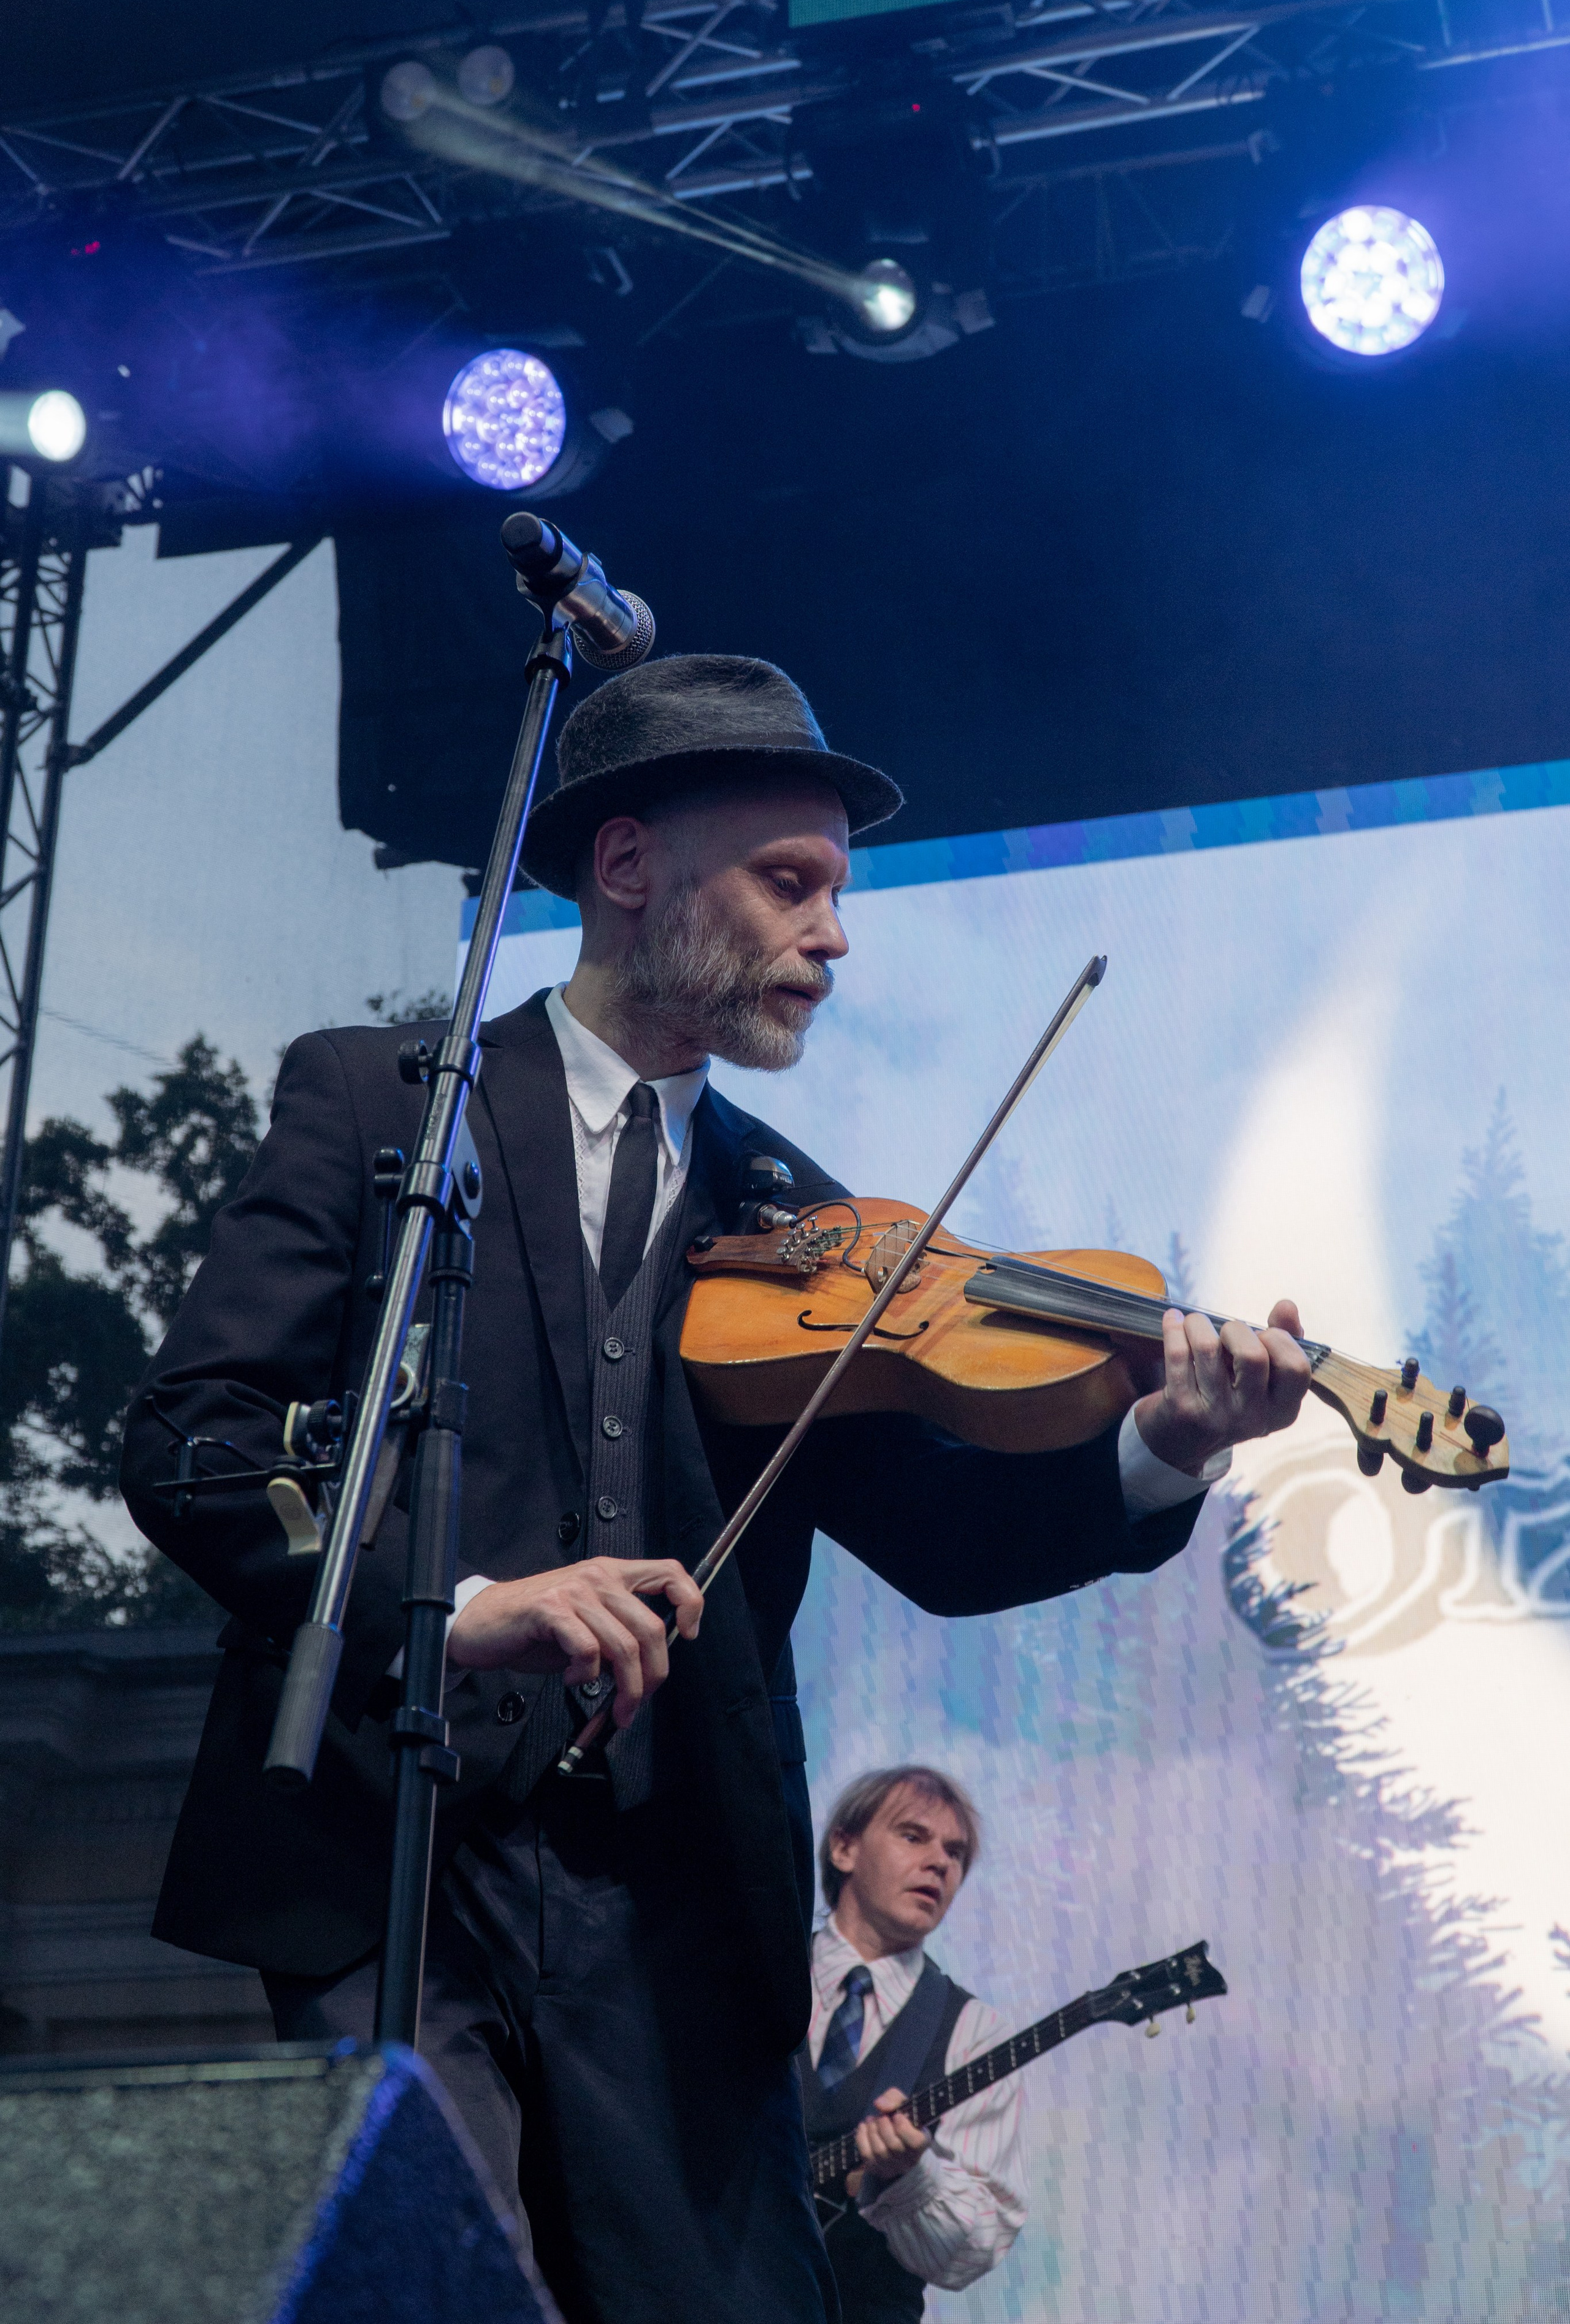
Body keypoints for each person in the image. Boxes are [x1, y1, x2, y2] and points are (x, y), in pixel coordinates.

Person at [119, 652, 1311, 2324]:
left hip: (670, 1905)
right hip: (392, 1859)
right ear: (630, 870)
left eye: (839, 890)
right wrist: (455, 1608)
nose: (835, 934)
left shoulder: (802, 1213)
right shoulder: (385, 1104)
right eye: (790, 882)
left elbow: (953, 1539)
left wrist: (1166, 1442)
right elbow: (195, 1438)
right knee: (432, 2290)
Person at [802, 1768, 1024, 2324]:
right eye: (914, 1836)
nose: (940, 1863)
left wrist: (912, 2175)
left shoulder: (974, 2031)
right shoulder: (755, 1978)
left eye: (956, 1853)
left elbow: (972, 2253)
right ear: (845, 1847)